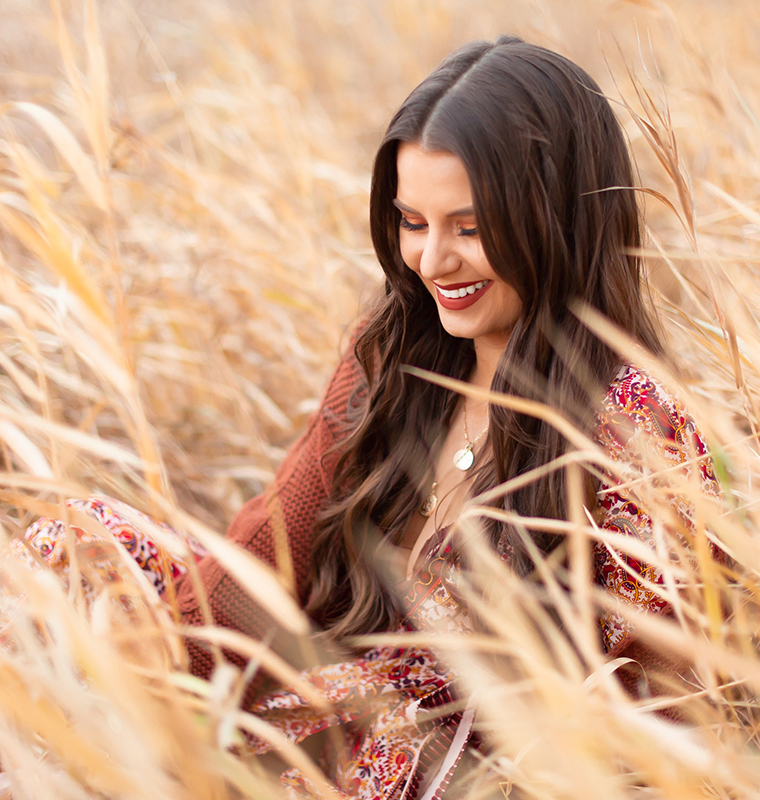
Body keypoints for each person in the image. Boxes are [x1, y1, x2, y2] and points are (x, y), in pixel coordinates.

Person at [14, 35, 719, 800]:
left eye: (470, 227)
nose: (431, 260)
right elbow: (274, 545)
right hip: (307, 689)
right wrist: (162, 656)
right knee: (76, 549)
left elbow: (672, 692)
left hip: (424, 769)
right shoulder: (394, 353)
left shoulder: (631, 424)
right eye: (413, 221)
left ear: (556, 220)